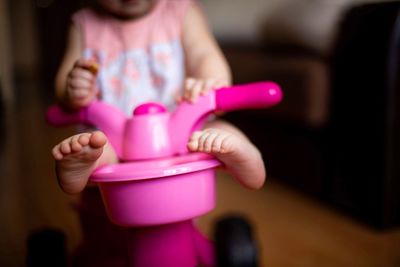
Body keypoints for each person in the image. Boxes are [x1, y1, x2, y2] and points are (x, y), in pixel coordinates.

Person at [52, 0, 266, 195]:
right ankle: (85, 163)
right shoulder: (83, 25)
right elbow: (63, 83)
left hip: (182, 131)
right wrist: (73, 89)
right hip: (114, 136)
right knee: (96, 144)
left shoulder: (181, 10)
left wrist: (211, 81)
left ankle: (246, 160)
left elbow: (204, 54)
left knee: (218, 132)